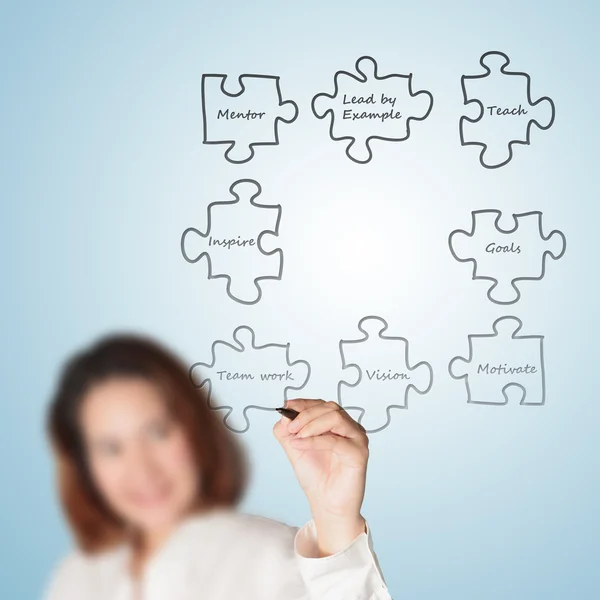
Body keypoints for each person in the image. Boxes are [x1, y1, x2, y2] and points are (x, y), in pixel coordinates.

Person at [42, 333, 392, 599]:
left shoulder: (268, 556)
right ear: (84, 467)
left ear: (195, 430)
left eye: (158, 432)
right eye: (110, 448)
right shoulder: (78, 578)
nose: (141, 469)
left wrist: (335, 518)